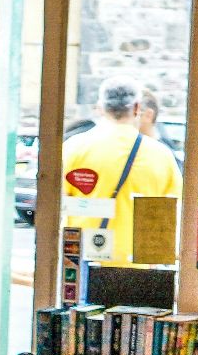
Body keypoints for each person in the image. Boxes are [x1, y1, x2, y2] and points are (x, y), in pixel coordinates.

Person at [60, 76, 183, 264]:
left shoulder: (73, 148)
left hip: (82, 263)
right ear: (136, 108)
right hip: (138, 269)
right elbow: (172, 216)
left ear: (100, 108)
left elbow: (56, 206)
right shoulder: (161, 156)